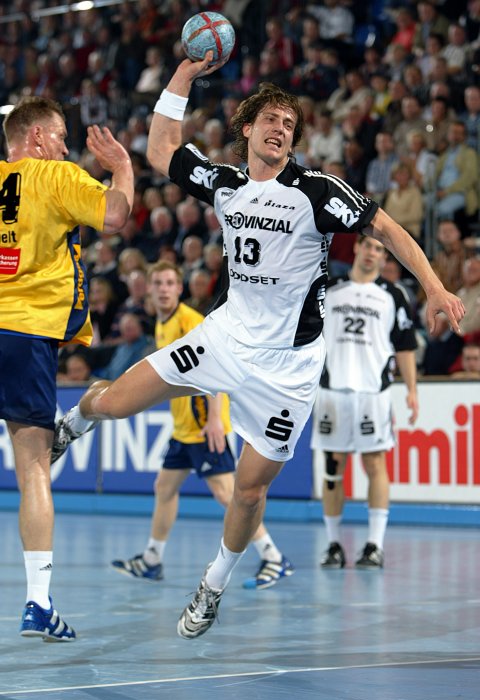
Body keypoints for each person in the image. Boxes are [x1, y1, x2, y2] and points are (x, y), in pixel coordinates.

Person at [50, 52, 464, 640]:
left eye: (289, 124)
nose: (281, 129)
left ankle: (213, 584)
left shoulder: (316, 191)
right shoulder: (227, 183)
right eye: (270, 119)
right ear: (246, 128)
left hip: (290, 368)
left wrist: (434, 286)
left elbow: (387, 229)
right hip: (225, 338)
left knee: (249, 490)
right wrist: (183, 75)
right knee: (114, 402)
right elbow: (163, 151)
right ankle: (72, 424)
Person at [0, 96, 133, 641]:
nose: (64, 145)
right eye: (58, 135)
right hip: (25, 332)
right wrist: (122, 167)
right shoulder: (55, 175)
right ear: (35, 137)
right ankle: (38, 603)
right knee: (34, 466)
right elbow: (115, 216)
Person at [111, 261, 294, 589]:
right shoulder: (162, 322)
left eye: (170, 283)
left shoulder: (190, 321)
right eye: (158, 283)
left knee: (228, 494)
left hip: (203, 429)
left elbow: (217, 368)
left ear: (179, 288)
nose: (164, 289)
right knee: (164, 487)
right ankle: (152, 559)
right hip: (183, 429)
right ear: (149, 289)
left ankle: (274, 556)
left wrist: (213, 420)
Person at [311, 235, 419, 569]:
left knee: (375, 464)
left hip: (373, 394)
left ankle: (374, 545)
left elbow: (405, 346)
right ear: (357, 247)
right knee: (333, 469)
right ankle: (333, 545)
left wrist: (412, 390)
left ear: (385, 257)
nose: (373, 253)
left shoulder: (394, 295)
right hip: (332, 392)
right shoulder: (330, 288)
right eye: (369, 246)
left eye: (380, 250)